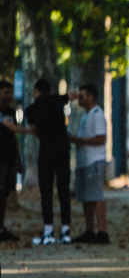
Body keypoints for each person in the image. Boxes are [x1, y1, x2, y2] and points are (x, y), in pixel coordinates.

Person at [3, 78, 74, 245]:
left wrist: (16, 129)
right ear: (49, 90)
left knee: (46, 191)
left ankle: (48, 230)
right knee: (63, 190)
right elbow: (71, 96)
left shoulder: (31, 110)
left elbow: (34, 131)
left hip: (46, 152)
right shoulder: (58, 100)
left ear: (35, 91)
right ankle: (65, 230)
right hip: (62, 150)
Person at [69, 84, 109, 244]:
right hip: (83, 161)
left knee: (96, 196)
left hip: (94, 159)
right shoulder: (86, 115)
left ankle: (102, 231)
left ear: (91, 96)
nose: (80, 99)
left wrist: (79, 140)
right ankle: (89, 230)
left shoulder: (97, 115)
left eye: (82, 95)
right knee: (86, 197)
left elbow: (101, 139)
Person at [0, 79, 23, 242]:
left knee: (5, 194)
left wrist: (18, 158)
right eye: (6, 92)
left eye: (11, 92)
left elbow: (14, 136)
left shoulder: (12, 112)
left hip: (9, 159)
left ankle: (1, 228)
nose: (10, 96)